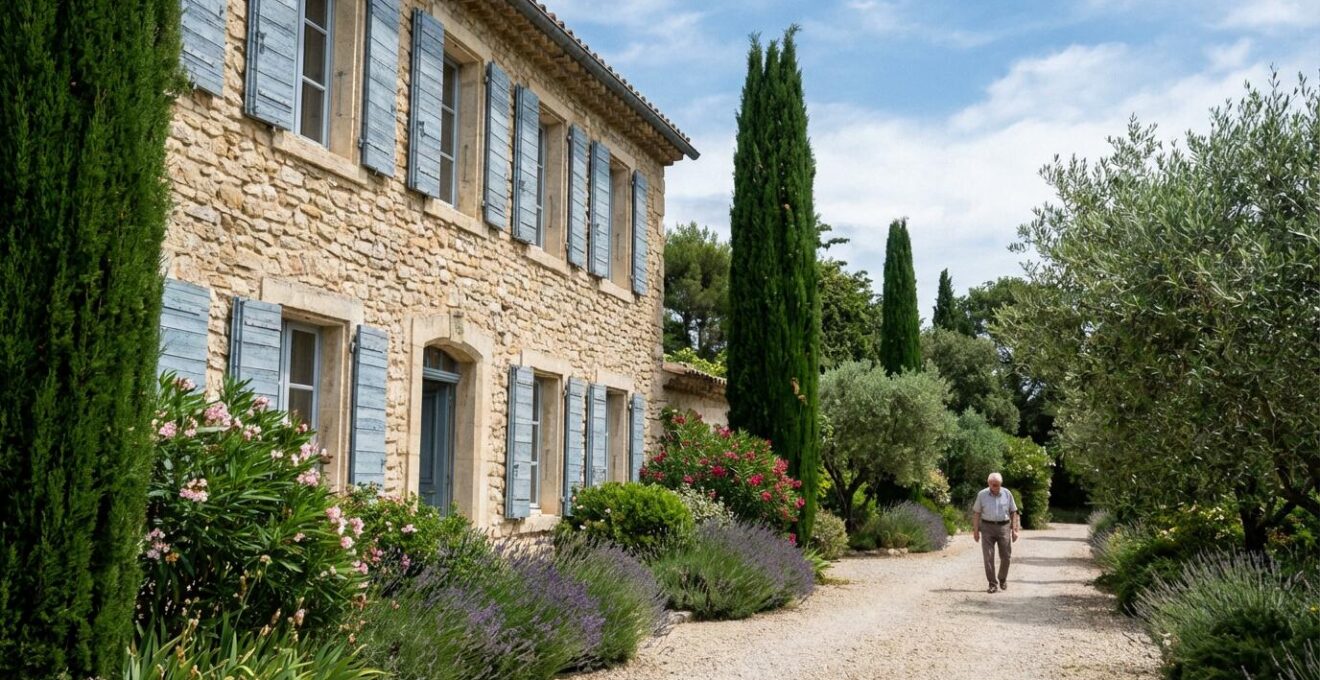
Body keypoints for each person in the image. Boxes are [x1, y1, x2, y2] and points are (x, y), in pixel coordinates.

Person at [972, 472, 1019, 593]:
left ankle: (1002, 578)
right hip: (987, 527)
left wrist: (1015, 530)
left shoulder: (1007, 494)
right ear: (989, 484)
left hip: (1004, 526)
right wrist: (976, 530)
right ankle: (992, 583)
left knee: (1006, 556)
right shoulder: (982, 495)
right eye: (993, 485)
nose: (996, 488)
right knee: (988, 556)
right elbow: (977, 513)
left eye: (998, 485)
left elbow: (1014, 512)